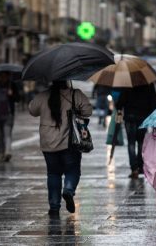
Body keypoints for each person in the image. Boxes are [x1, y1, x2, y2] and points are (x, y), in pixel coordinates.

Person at [28, 81, 92, 216]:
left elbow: (32, 110)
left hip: (48, 143)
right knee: (72, 169)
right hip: (68, 142)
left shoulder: (43, 95)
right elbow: (88, 111)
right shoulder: (75, 94)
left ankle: (54, 207)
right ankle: (68, 190)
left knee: (53, 173)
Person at [116, 84, 156, 179]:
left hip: (130, 117)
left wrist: (119, 107)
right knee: (141, 142)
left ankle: (134, 168)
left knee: (131, 143)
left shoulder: (128, 83)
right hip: (143, 117)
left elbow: (120, 102)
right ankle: (140, 167)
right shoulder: (148, 84)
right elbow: (153, 101)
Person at [0, 72, 20, 162]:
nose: (3, 78)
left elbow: (18, 99)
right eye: (1, 76)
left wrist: (11, 94)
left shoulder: (12, 85)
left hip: (8, 114)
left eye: (5, 76)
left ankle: (8, 152)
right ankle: (1, 152)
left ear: (8, 76)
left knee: (7, 134)